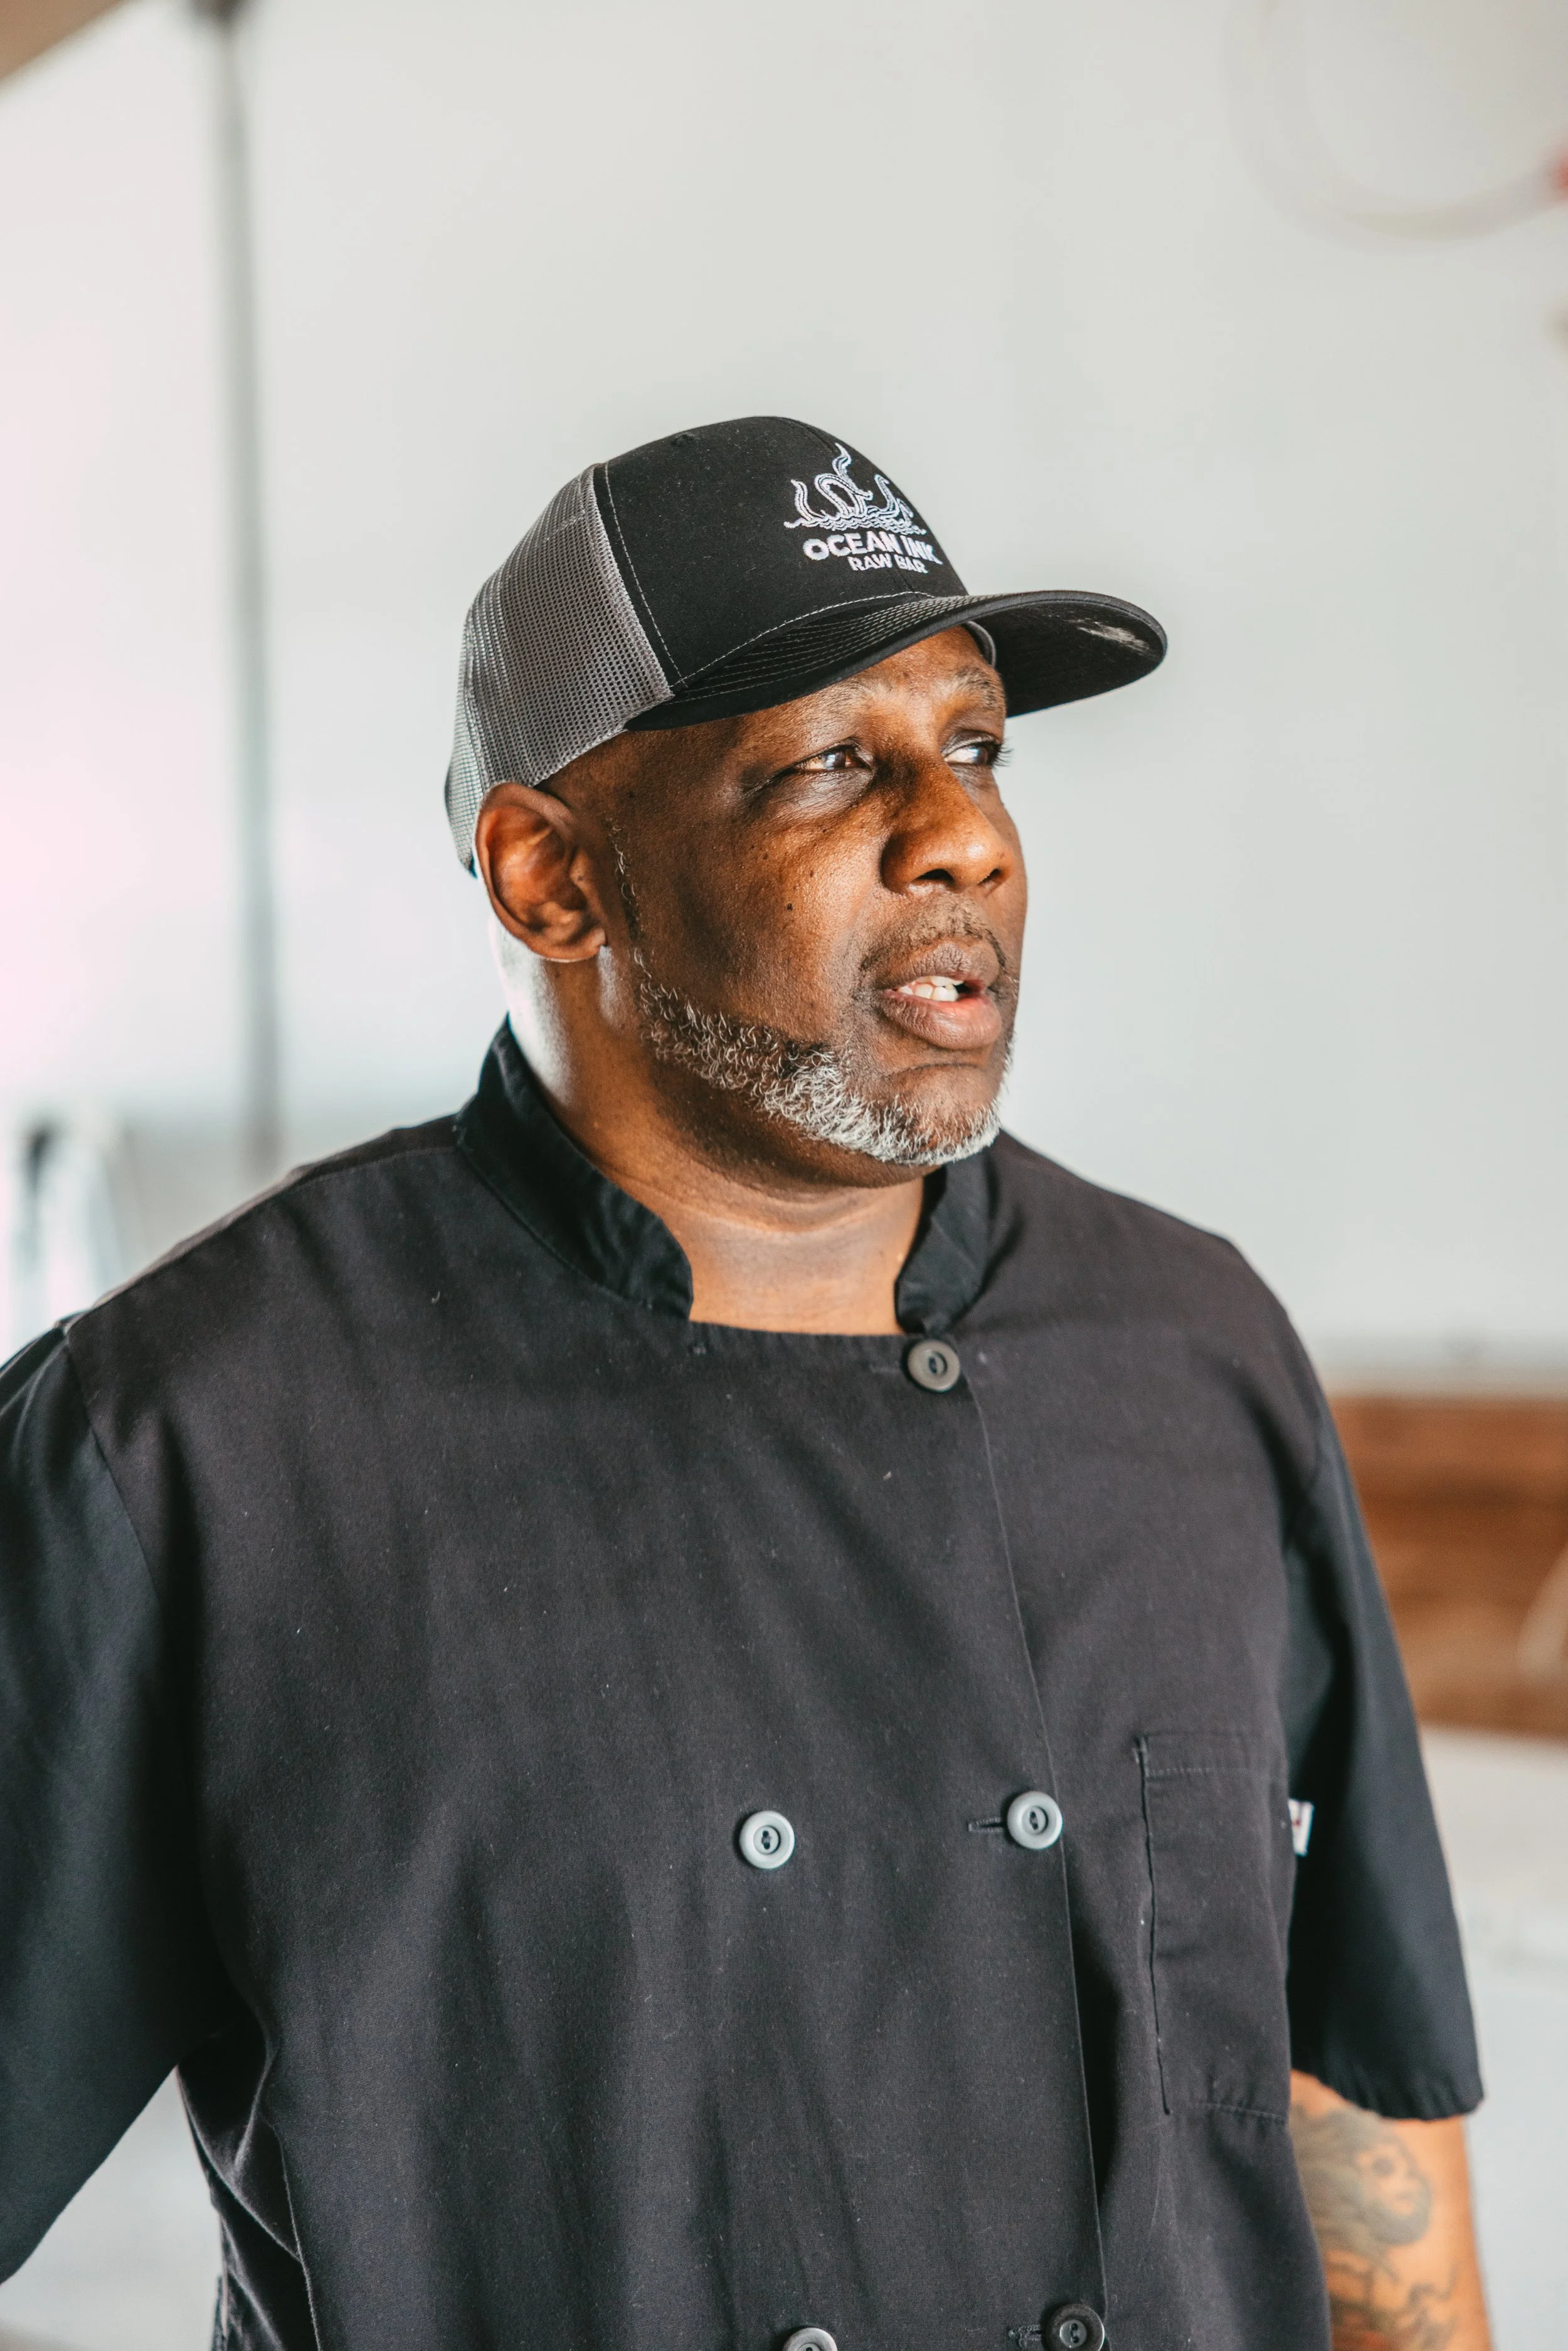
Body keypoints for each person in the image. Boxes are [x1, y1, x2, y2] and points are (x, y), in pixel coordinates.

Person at [0, 417, 1490, 2351]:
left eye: (971, 747)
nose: (962, 831)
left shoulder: (1189, 1351)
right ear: (552, 880)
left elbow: (1341, 2097)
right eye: (824, 763)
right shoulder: (191, 1436)